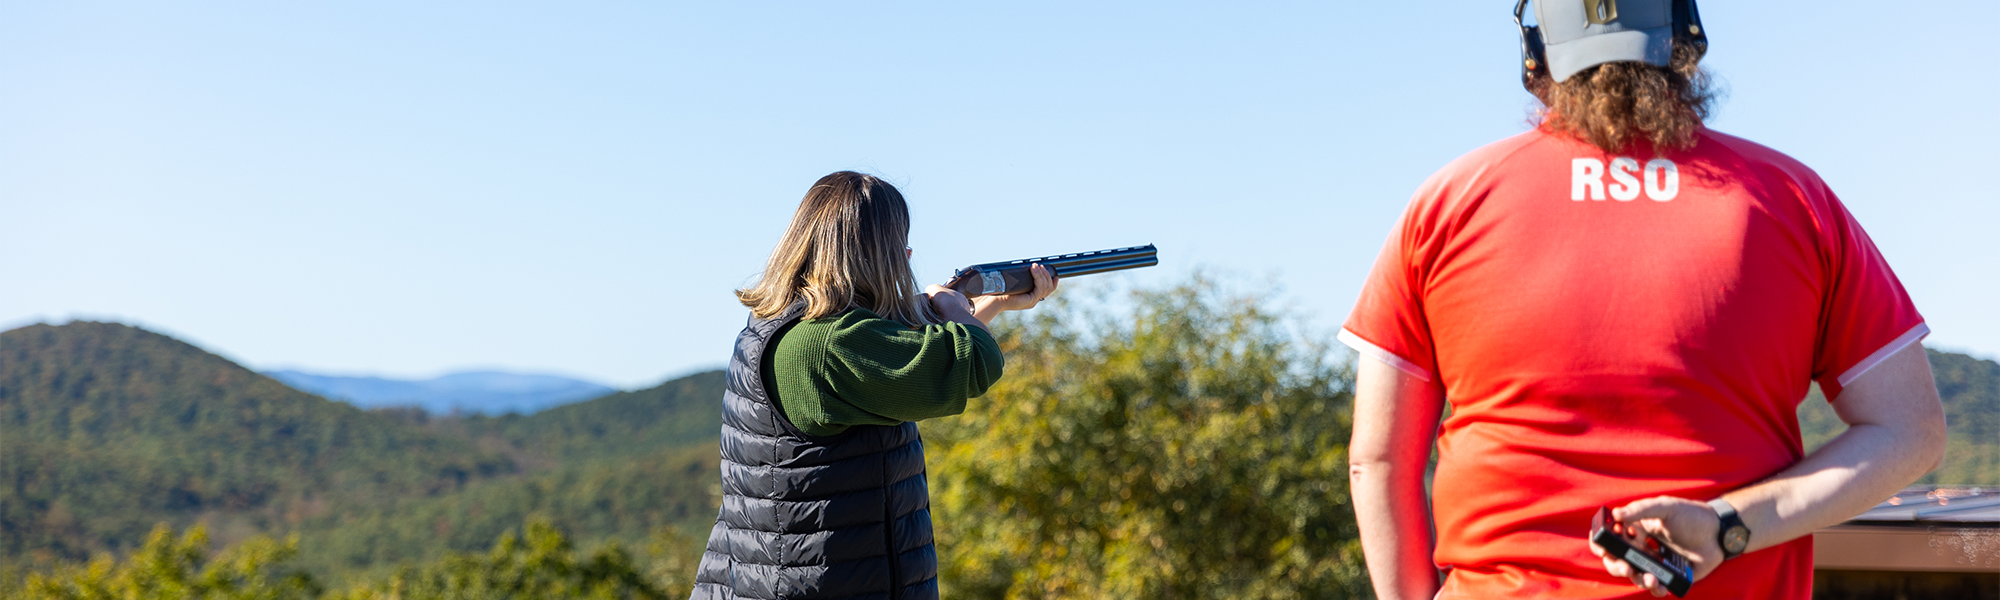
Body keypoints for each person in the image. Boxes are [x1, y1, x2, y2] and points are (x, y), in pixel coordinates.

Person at [1341, 1, 1947, 598]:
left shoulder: (1449, 202)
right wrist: (1728, 527)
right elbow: (1910, 429)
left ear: (1536, 49)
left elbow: (1378, 461)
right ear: (1684, 36)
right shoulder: (1790, 198)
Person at [689, 171, 1057, 600]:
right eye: (901, 246)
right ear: (877, 254)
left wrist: (985, 307)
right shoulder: (831, 343)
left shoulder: (784, 325)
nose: (907, 258)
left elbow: (908, 359)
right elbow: (974, 362)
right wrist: (954, 307)